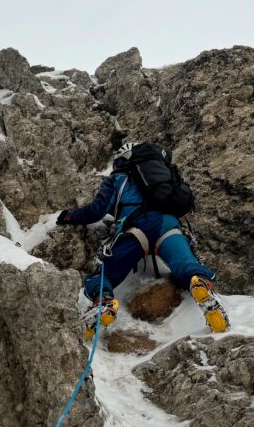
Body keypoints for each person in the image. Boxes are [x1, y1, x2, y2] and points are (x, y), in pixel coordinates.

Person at [56, 141, 228, 334]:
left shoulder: (117, 179)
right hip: (168, 224)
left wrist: (67, 216)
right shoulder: (164, 177)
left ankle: (103, 302)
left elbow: (95, 211)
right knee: (186, 265)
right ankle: (202, 286)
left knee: (104, 274)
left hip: (135, 229)